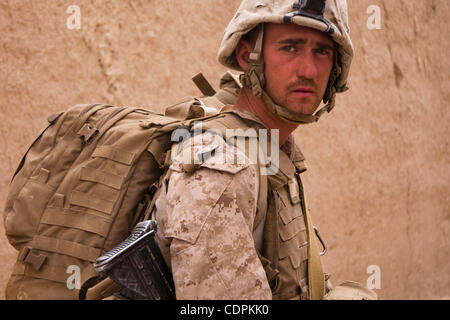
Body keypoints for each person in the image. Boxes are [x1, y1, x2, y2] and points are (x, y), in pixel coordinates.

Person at [152, 0, 357, 300]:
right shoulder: (223, 166)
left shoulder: (269, 146)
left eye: (322, 51)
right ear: (248, 56)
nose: (309, 70)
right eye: (290, 47)